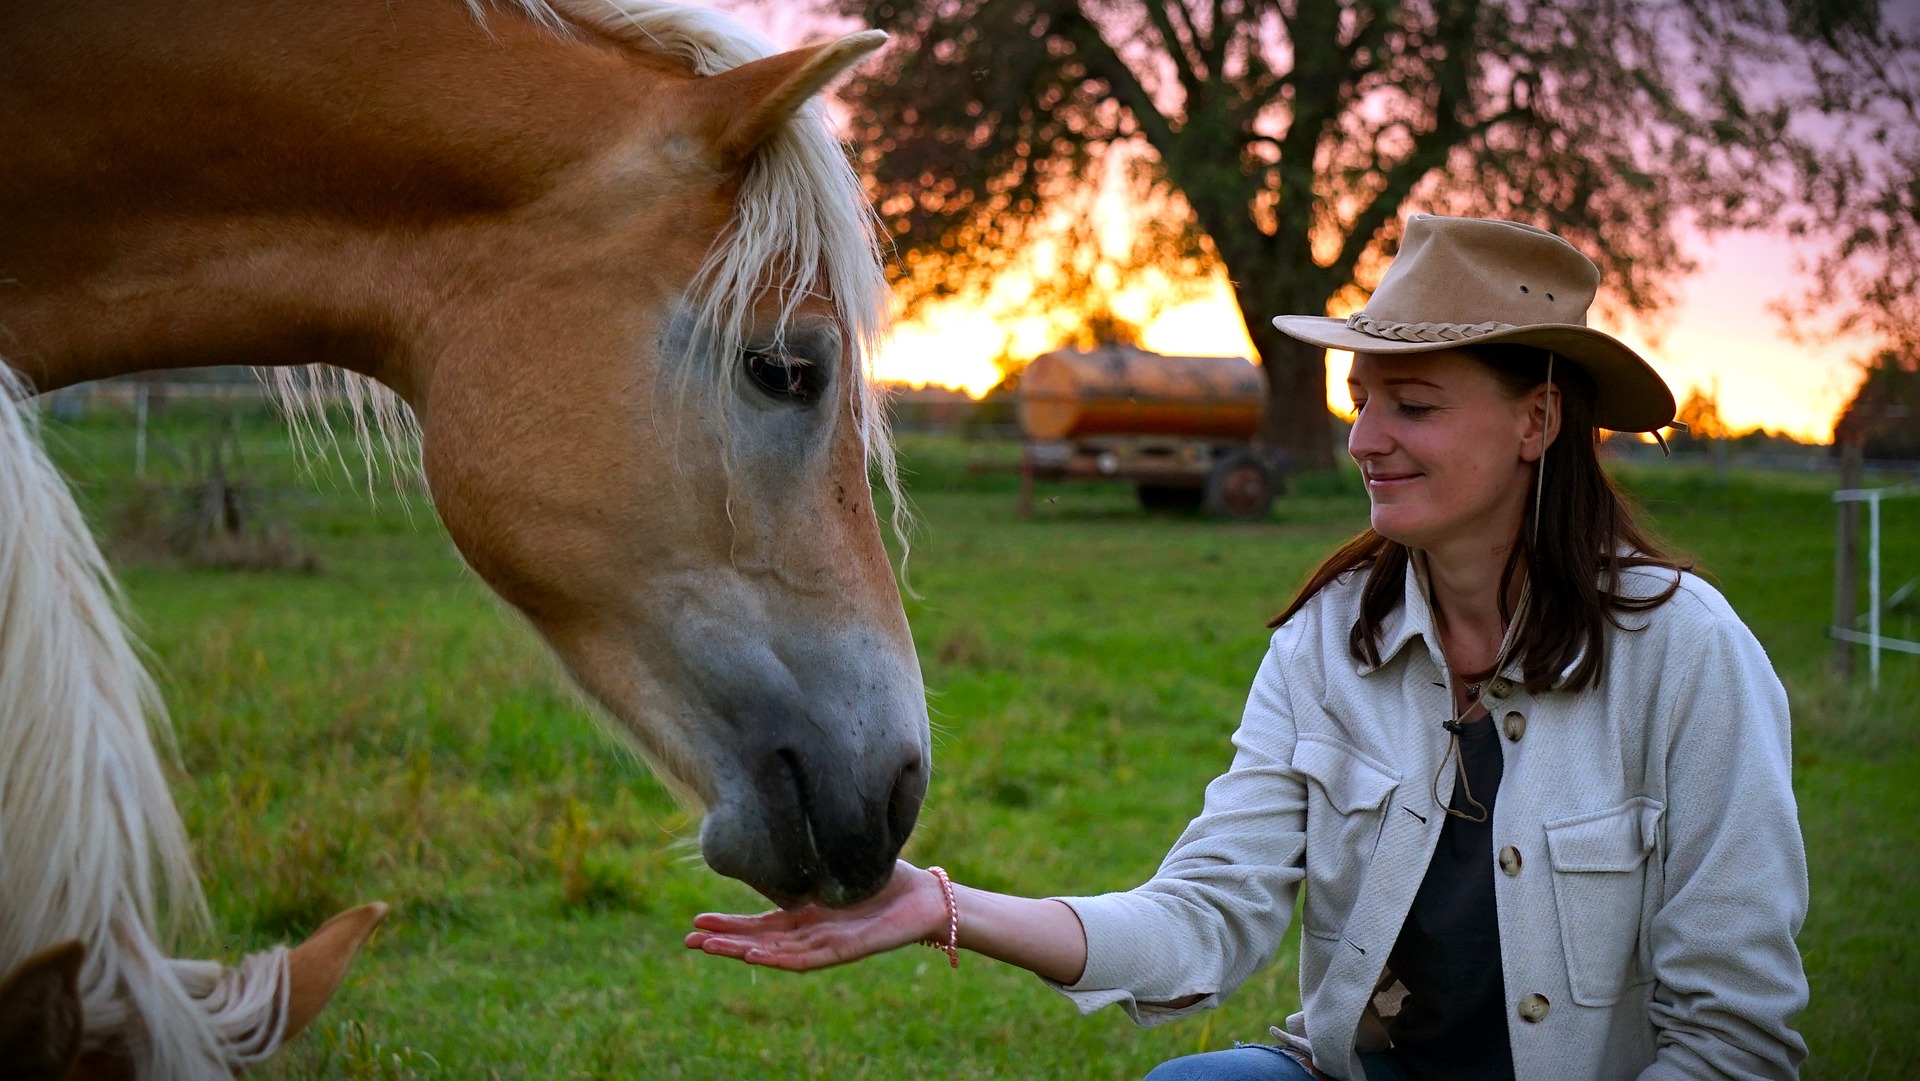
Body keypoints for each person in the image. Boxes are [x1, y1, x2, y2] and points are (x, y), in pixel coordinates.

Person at [685, 215, 1810, 1081]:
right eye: (1360, 400)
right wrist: (941, 904)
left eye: (1412, 405)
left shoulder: (1685, 655)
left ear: (1537, 423)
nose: (1365, 440)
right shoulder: (1331, 639)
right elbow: (1202, 918)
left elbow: (1732, 1036)